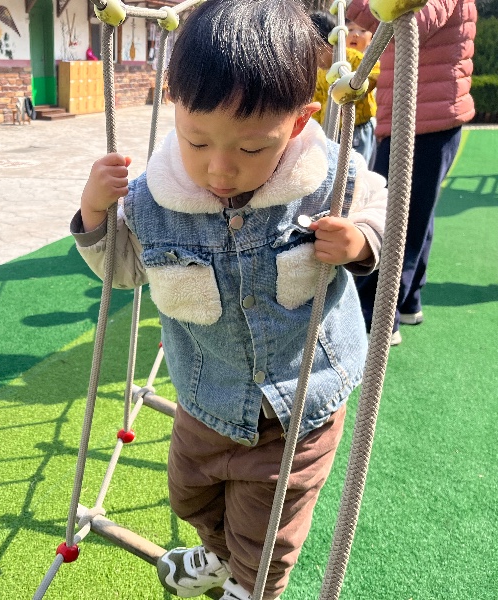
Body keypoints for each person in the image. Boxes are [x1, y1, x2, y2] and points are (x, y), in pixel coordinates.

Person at [69, 1, 388, 598]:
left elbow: (383, 207)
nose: (220, 169)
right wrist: (93, 212)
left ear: (299, 123)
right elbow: (123, 271)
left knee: (265, 530)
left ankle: (249, 585)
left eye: (251, 150)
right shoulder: (152, 198)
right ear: (174, 104)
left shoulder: (326, 176)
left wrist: (361, 239)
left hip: (299, 402)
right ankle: (220, 557)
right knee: (189, 495)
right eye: (197, 141)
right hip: (206, 395)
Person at [345, 0, 477, 345]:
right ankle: (408, 301)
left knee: (395, 217)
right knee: (415, 212)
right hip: (418, 113)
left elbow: (411, 22)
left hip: (423, 118)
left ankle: (378, 314)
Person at [310, 11, 380, 167]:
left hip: (357, 128)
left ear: (330, 44)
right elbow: (318, 100)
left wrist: (354, 89)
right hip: (331, 128)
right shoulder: (320, 71)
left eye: (316, 53)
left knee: (356, 169)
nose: (314, 60)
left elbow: (375, 73)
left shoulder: (352, 58)